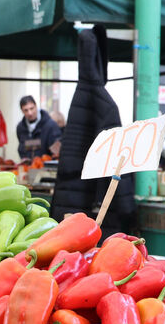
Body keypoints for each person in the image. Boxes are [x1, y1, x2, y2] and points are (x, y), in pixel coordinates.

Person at [50, 25, 133, 236]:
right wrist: (127, 208)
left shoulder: (79, 96)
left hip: (71, 202)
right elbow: (118, 160)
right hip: (95, 209)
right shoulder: (106, 105)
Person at [16, 96, 62, 161]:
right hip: (28, 168)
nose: (30, 113)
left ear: (36, 106)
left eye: (31, 108)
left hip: (47, 168)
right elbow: (22, 147)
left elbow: (57, 151)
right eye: (26, 110)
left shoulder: (51, 126)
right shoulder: (20, 128)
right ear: (22, 111)